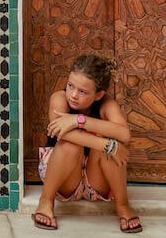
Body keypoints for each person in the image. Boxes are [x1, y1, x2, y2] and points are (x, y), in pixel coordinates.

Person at [31, 54, 142, 233]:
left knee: (111, 145)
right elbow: (60, 133)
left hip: (95, 180)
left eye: (83, 91)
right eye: (70, 86)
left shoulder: (106, 104)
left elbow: (124, 134)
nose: (73, 95)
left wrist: (78, 120)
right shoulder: (59, 99)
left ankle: (123, 206)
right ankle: (45, 201)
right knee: (73, 144)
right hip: (64, 177)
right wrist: (108, 145)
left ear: (98, 95)